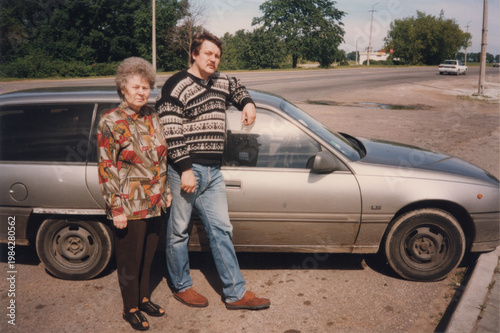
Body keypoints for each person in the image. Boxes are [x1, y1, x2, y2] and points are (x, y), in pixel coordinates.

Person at [156, 31, 271, 310]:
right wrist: (184, 169)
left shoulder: (220, 81)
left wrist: (248, 103)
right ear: (194, 54)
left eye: (217, 56)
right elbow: (171, 130)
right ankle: (182, 286)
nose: (213, 60)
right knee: (179, 231)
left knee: (221, 230)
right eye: (208, 54)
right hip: (186, 169)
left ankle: (235, 293)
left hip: (213, 171)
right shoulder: (176, 84)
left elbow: (237, 87)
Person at [97, 57, 172, 331]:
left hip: (154, 202)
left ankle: (142, 299)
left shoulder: (152, 116)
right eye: (136, 87)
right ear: (123, 89)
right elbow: (106, 167)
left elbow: (162, 158)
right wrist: (115, 207)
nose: (142, 92)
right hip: (128, 206)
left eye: (146, 87)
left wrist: (166, 191)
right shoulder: (111, 122)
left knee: (148, 257)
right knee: (129, 260)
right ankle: (130, 308)